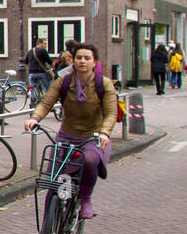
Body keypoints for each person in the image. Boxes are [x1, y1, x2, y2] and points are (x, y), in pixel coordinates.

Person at [24, 43, 117, 220]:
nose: (82, 61)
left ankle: (85, 198)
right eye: (79, 57)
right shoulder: (64, 81)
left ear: (93, 62)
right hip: (67, 135)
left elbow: (111, 112)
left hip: (93, 136)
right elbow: (46, 102)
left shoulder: (103, 84)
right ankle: (46, 230)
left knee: (89, 160)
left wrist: (105, 132)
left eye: (87, 58)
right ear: (73, 61)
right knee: (53, 181)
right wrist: (35, 118)